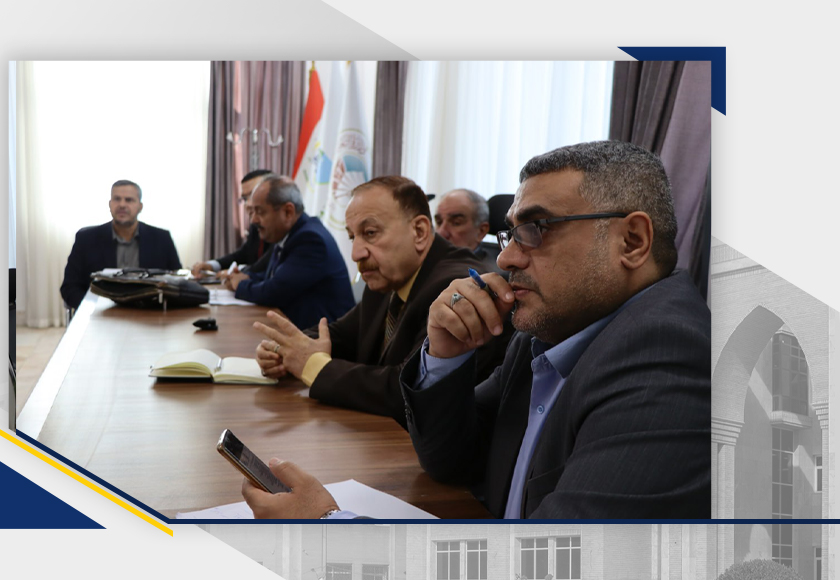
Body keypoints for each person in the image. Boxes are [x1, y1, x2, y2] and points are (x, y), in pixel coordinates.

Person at [241, 141, 710, 519]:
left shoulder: (667, 358)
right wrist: (444, 356)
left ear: (632, 241)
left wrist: (328, 525)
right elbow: (450, 461)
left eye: (537, 228)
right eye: (512, 233)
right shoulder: (542, 338)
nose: (505, 258)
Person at [253, 176, 512, 425]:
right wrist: (286, 350)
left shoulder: (454, 288)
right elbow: (339, 336)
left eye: (370, 232)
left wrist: (313, 366)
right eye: (353, 237)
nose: (356, 253)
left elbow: (409, 388)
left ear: (419, 232)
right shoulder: (387, 274)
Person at [222, 175, 355, 330]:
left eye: (260, 212)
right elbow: (275, 277)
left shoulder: (310, 240)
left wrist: (240, 284)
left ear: (288, 212)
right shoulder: (289, 234)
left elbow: (274, 292)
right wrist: (247, 277)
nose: (254, 220)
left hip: (324, 339)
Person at [60, 180, 181, 309]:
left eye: (129, 200)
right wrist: (94, 308)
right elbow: (70, 287)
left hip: (149, 313)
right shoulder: (86, 238)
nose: (122, 205)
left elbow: (178, 285)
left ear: (140, 207)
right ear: (110, 204)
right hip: (100, 313)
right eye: (117, 199)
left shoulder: (162, 238)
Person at [191, 169, 274, 277]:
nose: (248, 204)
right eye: (245, 199)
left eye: (253, 195)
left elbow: (265, 266)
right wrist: (211, 265)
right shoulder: (255, 224)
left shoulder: (283, 229)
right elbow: (243, 254)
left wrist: (235, 272)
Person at [434, 188, 503, 275]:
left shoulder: (487, 276)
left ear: (481, 231)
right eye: (439, 222)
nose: (441, 233)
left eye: (456, 223)